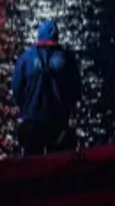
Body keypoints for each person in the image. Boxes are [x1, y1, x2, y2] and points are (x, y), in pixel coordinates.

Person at [12, 19, 82, 156]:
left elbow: (16, 90)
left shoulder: (25, 58)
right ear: (56, 37)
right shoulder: (67, 59)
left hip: (31, 122)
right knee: (60, 166)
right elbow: (76, 91)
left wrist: (23, 109)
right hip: (58, 124)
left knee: (30, 165)